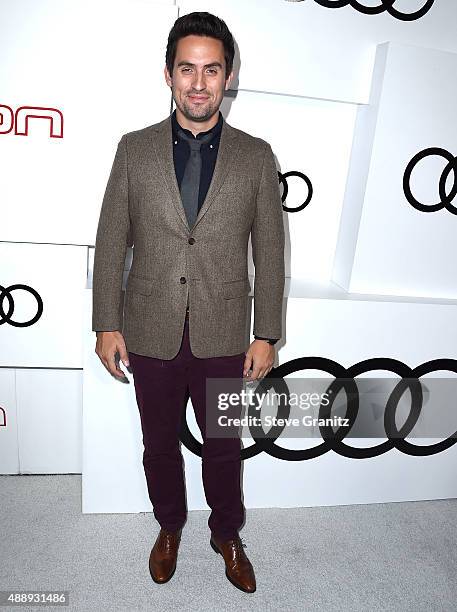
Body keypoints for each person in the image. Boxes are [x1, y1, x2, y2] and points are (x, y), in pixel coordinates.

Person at [92, 11, 285, 594]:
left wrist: (265, 333)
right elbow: (110, 243)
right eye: (187, 70)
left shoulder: (256, 155)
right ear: (168, 74)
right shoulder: (133, 149)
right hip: (149, 328)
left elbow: (271, 254)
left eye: (211, 70)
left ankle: (227, 532)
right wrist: (106, 322)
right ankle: (169, 527)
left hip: (226, 334)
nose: (198, 84)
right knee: (159, 445)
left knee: (224, 446)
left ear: (228, 77)